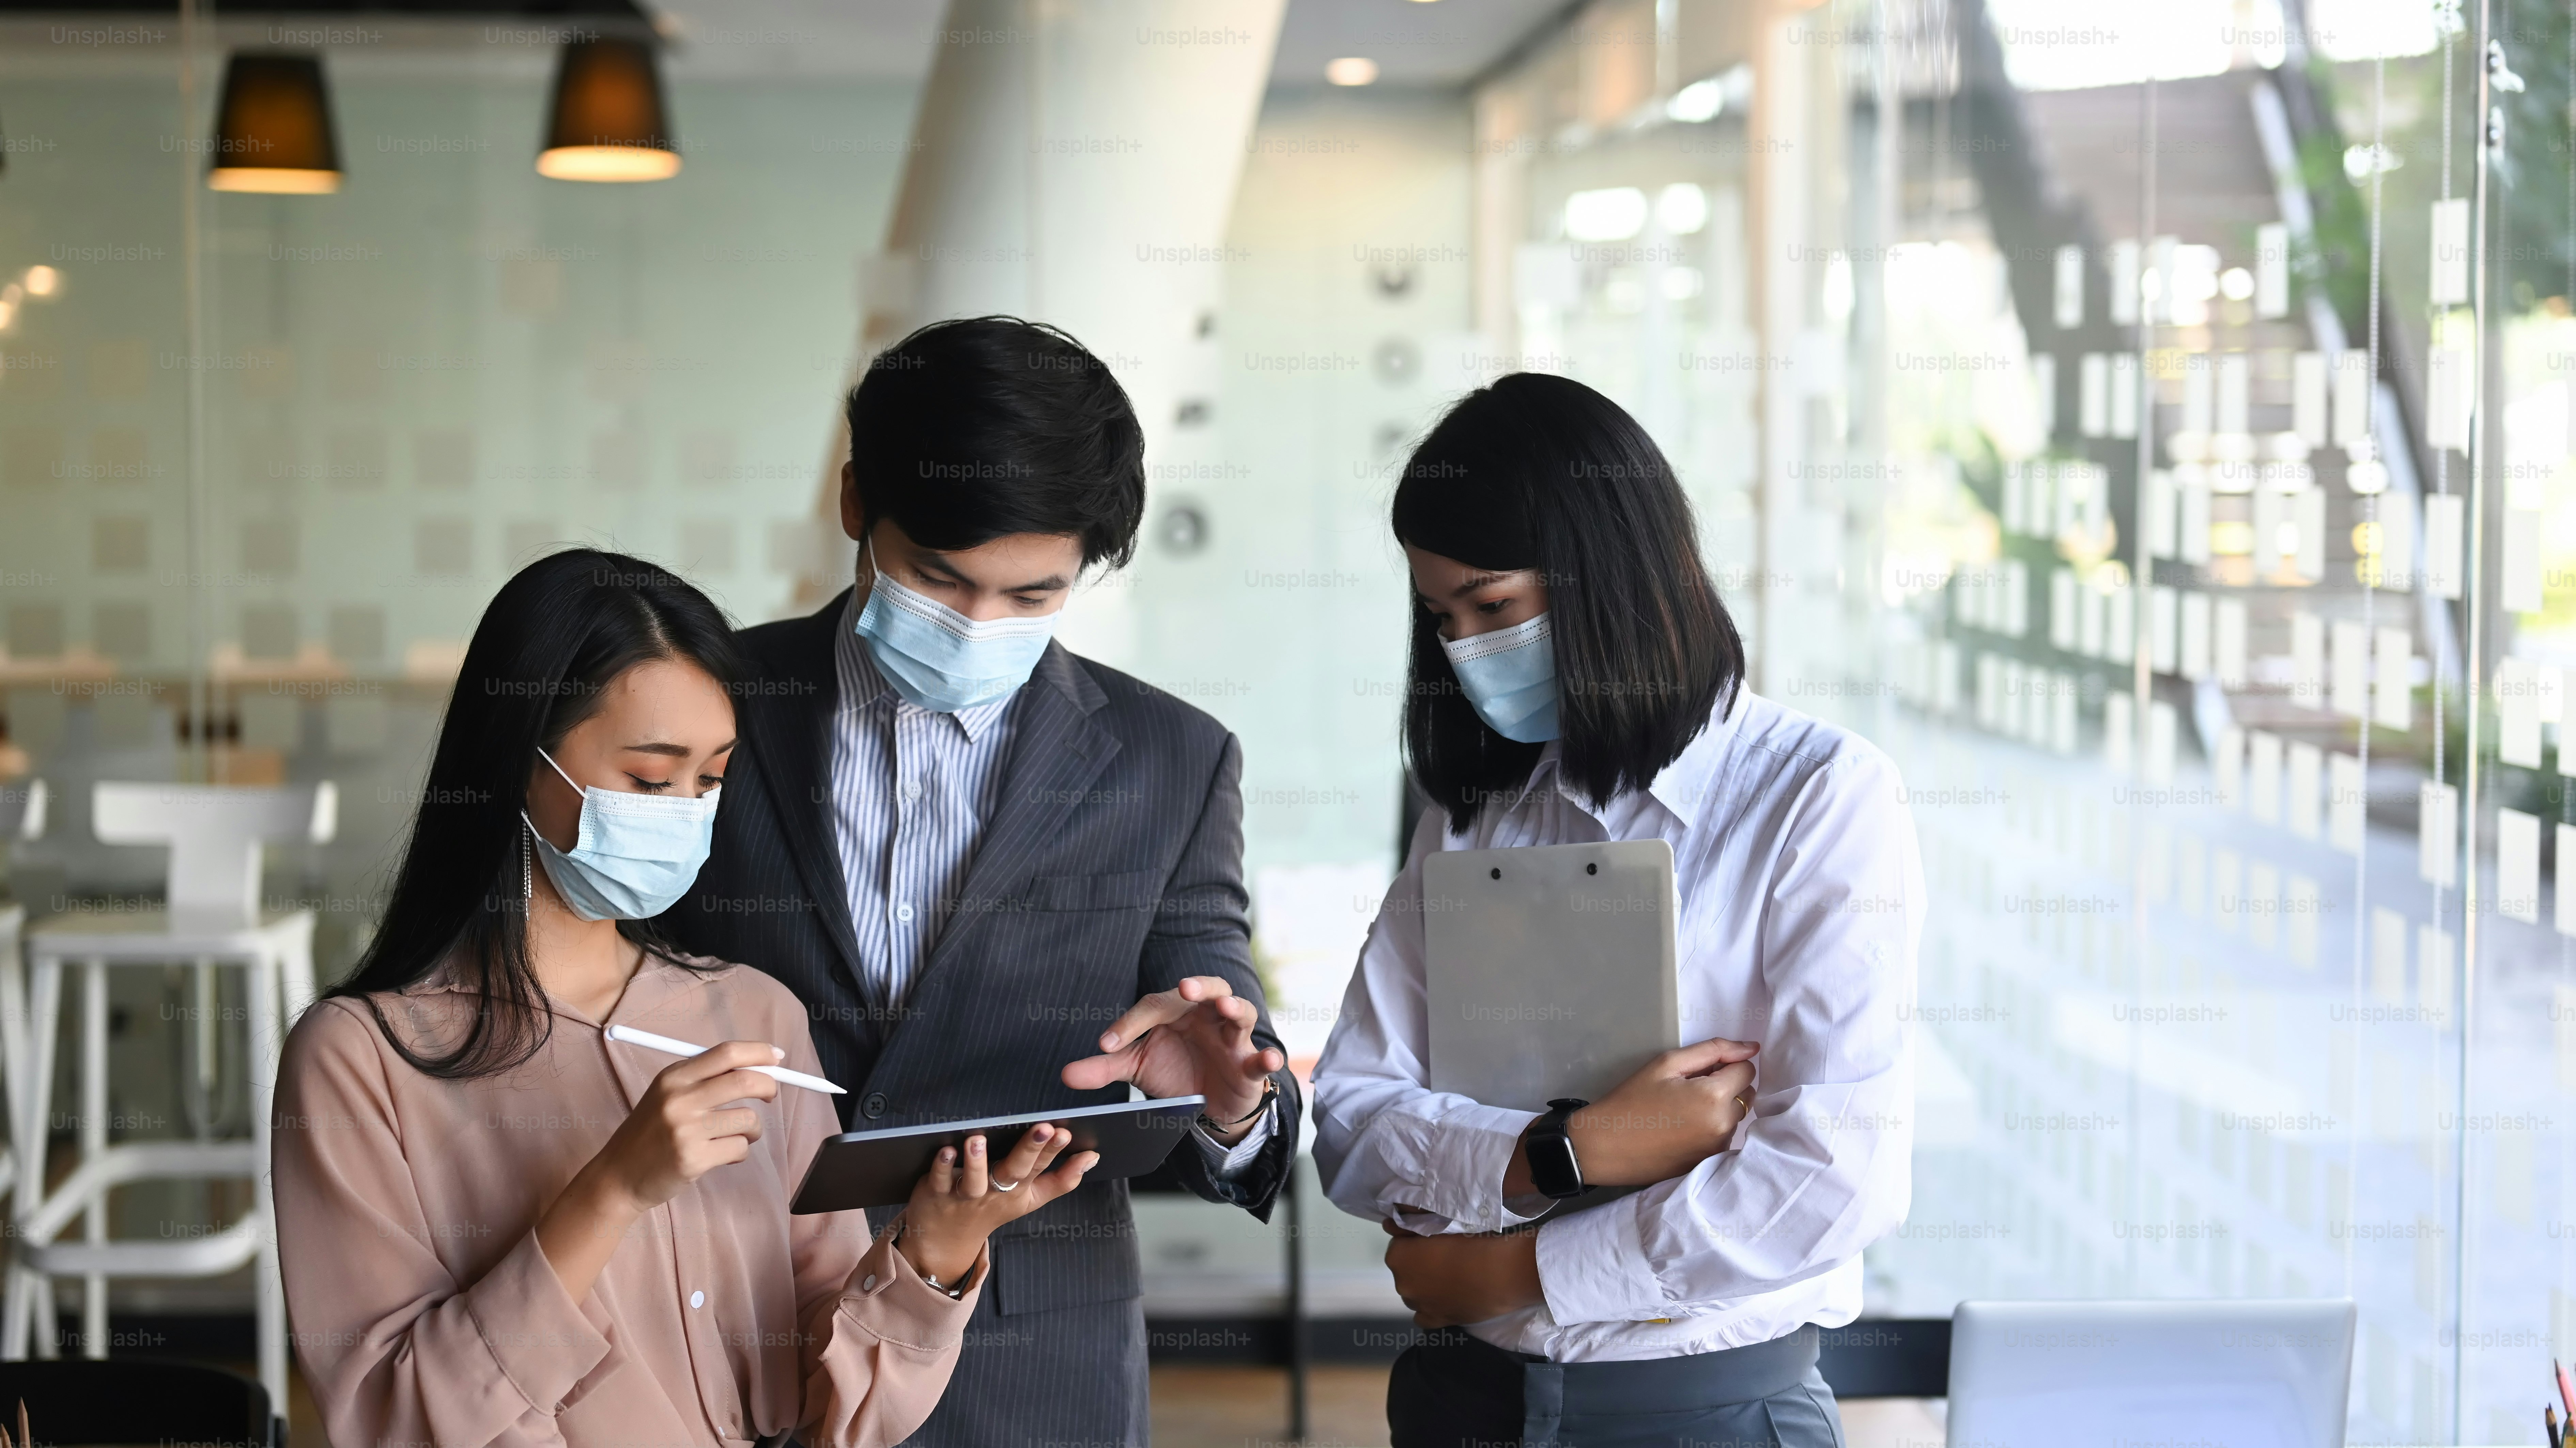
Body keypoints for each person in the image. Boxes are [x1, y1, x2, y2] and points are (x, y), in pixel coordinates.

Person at [274, 551, 1098, 1448]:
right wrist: (613, 1189)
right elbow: (392, 1419)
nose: (684, 809)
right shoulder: (360, 1057)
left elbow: (834, 1408)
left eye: (709, 779)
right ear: (521, 757)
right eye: (649, 777)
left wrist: (931, 1257)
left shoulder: (754, 1018)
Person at [661, 316, 1301, 1445]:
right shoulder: (712, 700)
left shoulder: (1171, 758)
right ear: (858, 501)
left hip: (1030, 1361)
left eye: (1032, 597)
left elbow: (1219, 1037)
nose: (976, 626)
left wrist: (1230, 1098)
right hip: (729, 1318)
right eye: (938, 579)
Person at [1311, 374, 1922, 1448]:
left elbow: (1827, 1178)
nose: (1463, 649)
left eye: (1492, 607)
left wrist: (1507, 1264)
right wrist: (1569, 1152)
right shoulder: (1475, 814)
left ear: (1611, 571)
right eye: (1441, 616)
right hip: (1466, 1400)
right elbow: (1355, 1117)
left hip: (1708, 1408)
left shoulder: (1818, 795)